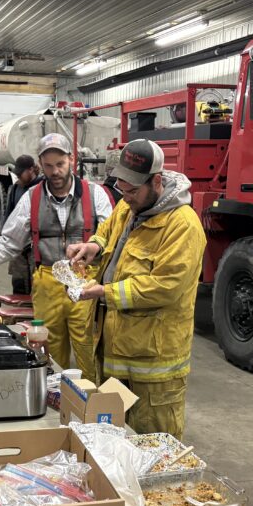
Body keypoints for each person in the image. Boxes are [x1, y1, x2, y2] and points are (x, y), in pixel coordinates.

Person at [66, 139, 205, 439]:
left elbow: (165, 287)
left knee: (154, 448)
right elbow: (108, 229)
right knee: (116, 442)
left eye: (132, 191)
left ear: (156, 181)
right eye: (121, 189)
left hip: (155, 369)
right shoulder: (130, 207)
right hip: (117, 354)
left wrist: (105, 293)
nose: (125, 197)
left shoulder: (183, 225)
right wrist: (94, 245)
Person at [0, 134, 112, 382]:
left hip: (85, 284)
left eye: (60, 164)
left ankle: (88, 406)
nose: (55, 171)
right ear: (40, 165)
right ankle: (57, 404)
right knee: (49, 353)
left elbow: (112, 235)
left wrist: (95, 247)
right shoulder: (31, 199)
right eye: (48, 165)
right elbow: (9, 243)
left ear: (71, 160)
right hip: (47, 284)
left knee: (89, 349)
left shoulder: (94, 194)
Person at [4, 154, 42, 295]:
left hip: (36, 247)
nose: (18, 176)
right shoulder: (15, 189)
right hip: (18, 248)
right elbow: (8, 218)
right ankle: (18, 316)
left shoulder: (43, 188)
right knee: (19, 283)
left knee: (37, 285)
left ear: (31, 170)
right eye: (17, 173)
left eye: (21, 173)